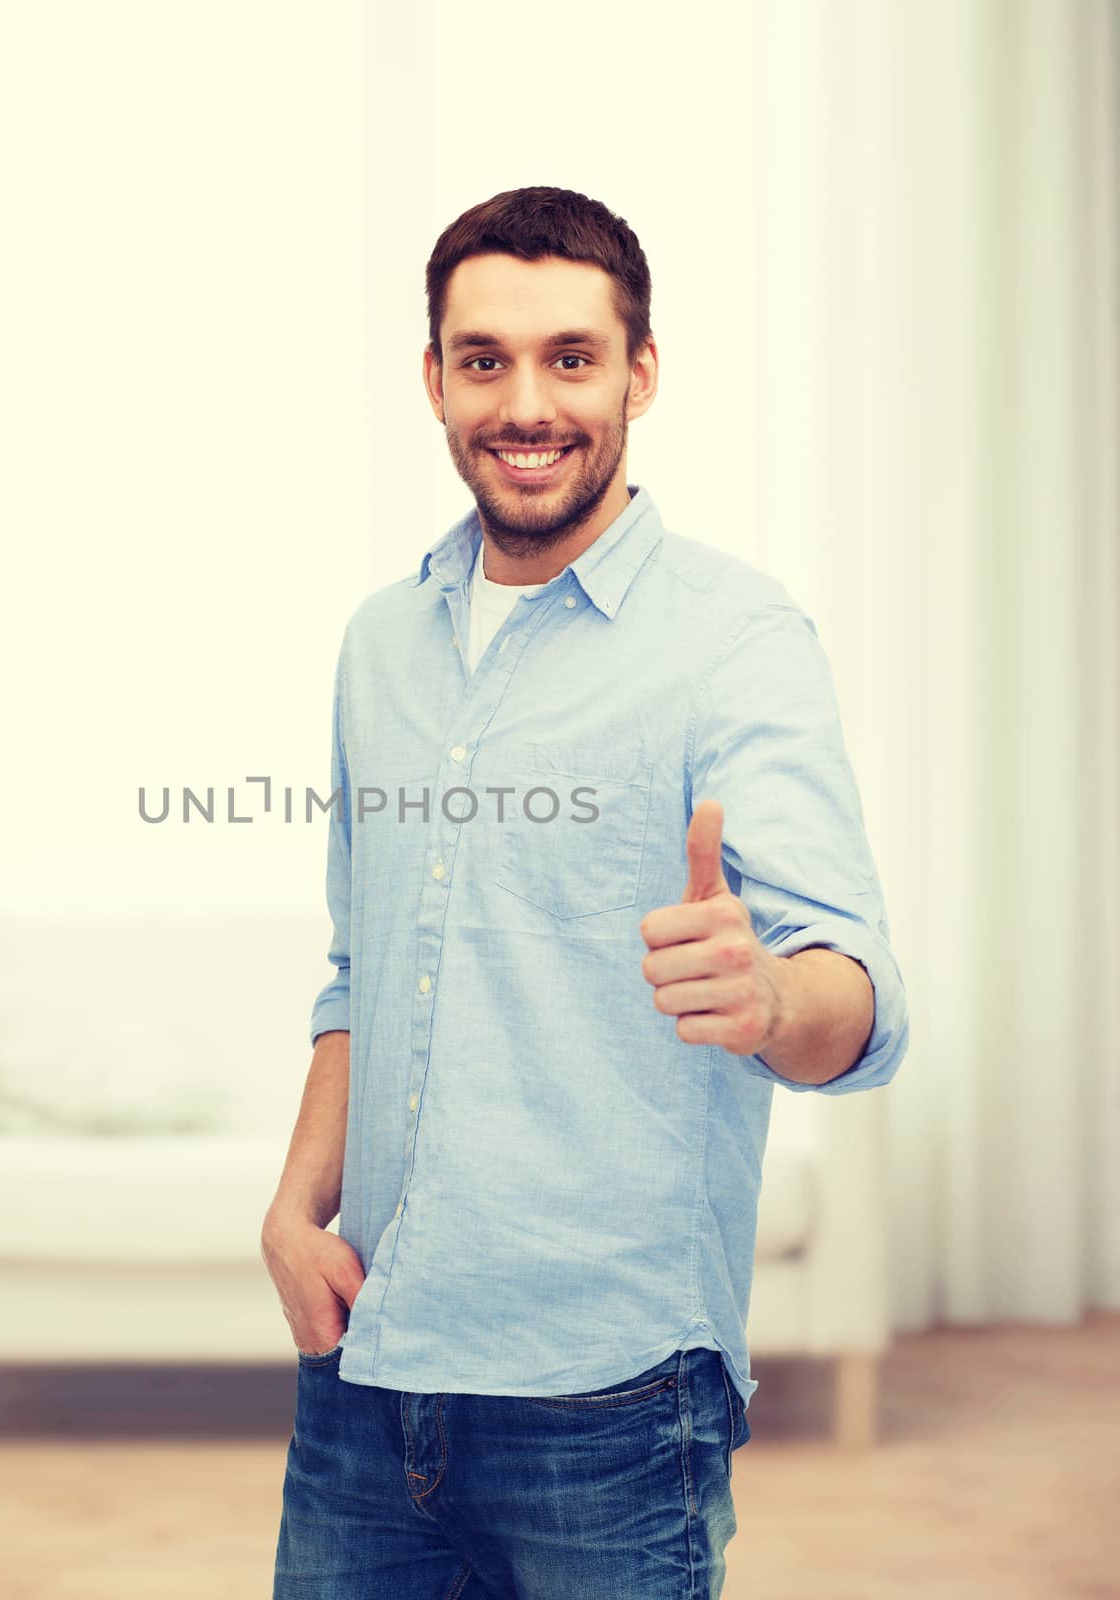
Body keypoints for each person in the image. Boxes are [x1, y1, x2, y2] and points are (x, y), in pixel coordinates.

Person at [262, 185, 910, 1598]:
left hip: (608, 1405)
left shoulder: (734, 639)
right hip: (364, 1369)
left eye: (570, 356)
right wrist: (293, 1208)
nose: (525, 402)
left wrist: (765, 999)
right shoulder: (380, 644)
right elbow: (360, 975)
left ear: (639, 372)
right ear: (433, 380)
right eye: (483, 359)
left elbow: (857, 1002)